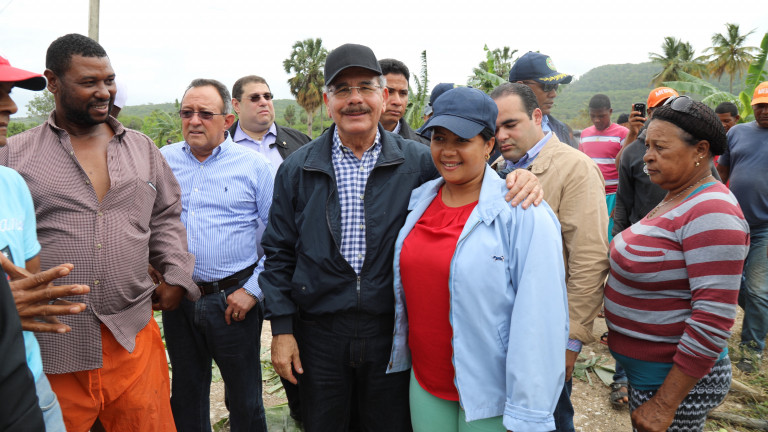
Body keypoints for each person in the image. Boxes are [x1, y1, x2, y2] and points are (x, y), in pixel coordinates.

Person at [260, 43, 542, 432]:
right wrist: (282, 329)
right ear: (327, 101)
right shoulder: (299, 168)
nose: (354, 99)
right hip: (319, 336)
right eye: (342, 89)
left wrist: (516, 177)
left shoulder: (419, 161)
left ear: (383, 97)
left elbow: (470, 179)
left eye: (365, 87)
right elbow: (278, 251)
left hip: (391, 334)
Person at [1, 33, 197, 432]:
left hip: (132, 335)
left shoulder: (142, 149)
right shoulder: (14, 155)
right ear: (53, 82)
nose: (104, 91)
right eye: (89, 82)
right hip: (56, 343)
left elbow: (165, 217)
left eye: (109, 80)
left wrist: (176, 274)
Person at [388, 86, 568, 432]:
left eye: (462, 140)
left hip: (491, 390)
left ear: (489, 145)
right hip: (426, 382)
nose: (448, 151)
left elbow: (540, 317)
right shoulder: (418, 202)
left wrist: (529, 410)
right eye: (439, 138)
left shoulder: (522, 211)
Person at [606, 97, 749, 432]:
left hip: (672, 384)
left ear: (700, 150)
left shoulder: (712, 212)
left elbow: (712, 320)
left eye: (660, 147)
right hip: (649, 375)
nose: (647, 156)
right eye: (647, 146)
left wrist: (665, 404)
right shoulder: (676, 196)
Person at [490, 82, 608, 432]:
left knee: (548, 419)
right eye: (495, 128)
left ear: (537, 117)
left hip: (547, 334)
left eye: (510, 124)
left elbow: (589, 259)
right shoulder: (497, 167)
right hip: (504, 331)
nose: (501, 135)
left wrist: (570, 340)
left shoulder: (575, 168)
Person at [159, 78, 273, 431]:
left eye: (205, 114)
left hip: (233, 302)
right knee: (185, 396)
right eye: (186, 113)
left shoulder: (253, 166)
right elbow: (147, 222)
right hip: (179, 299)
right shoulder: (163, 160)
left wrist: (252, 291)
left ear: (227, 120)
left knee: (245, 400)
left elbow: (282, 239)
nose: (194, 121)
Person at [717, 81, 768, 374]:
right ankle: (762, 319)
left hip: (765, 228)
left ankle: (751, 350)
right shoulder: (736, 133)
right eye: (760, 105)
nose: (764, 111)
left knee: (758, 289)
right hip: (734, 222)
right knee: (732, 284)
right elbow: (721, 171)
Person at [229, 75, 311, 169]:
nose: (264, 102)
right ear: (236, 105)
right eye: (255, 98)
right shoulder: (219, 146)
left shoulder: (301, 142)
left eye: (267, 96)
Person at [579, 94, 628, 241]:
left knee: (612, 238)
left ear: (610, 112)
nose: (597, 120)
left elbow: (627, 169)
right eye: (593, 116)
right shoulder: (584, 134)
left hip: (614, 196)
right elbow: (581, 165)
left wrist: (621, 202)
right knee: (593, 238)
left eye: (601, 116)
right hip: (591, 195)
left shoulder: (623, 134)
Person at [508, 51, 577, 148]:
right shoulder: (496, 131)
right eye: (547, 86)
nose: (554, 94)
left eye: (555, 87)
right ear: (521, 87)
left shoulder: (561, 129)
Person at [378, 58, 429, 144]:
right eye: (389, 92)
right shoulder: (352, 142)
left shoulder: (423, 148)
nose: (398, 102)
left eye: (403, 93)